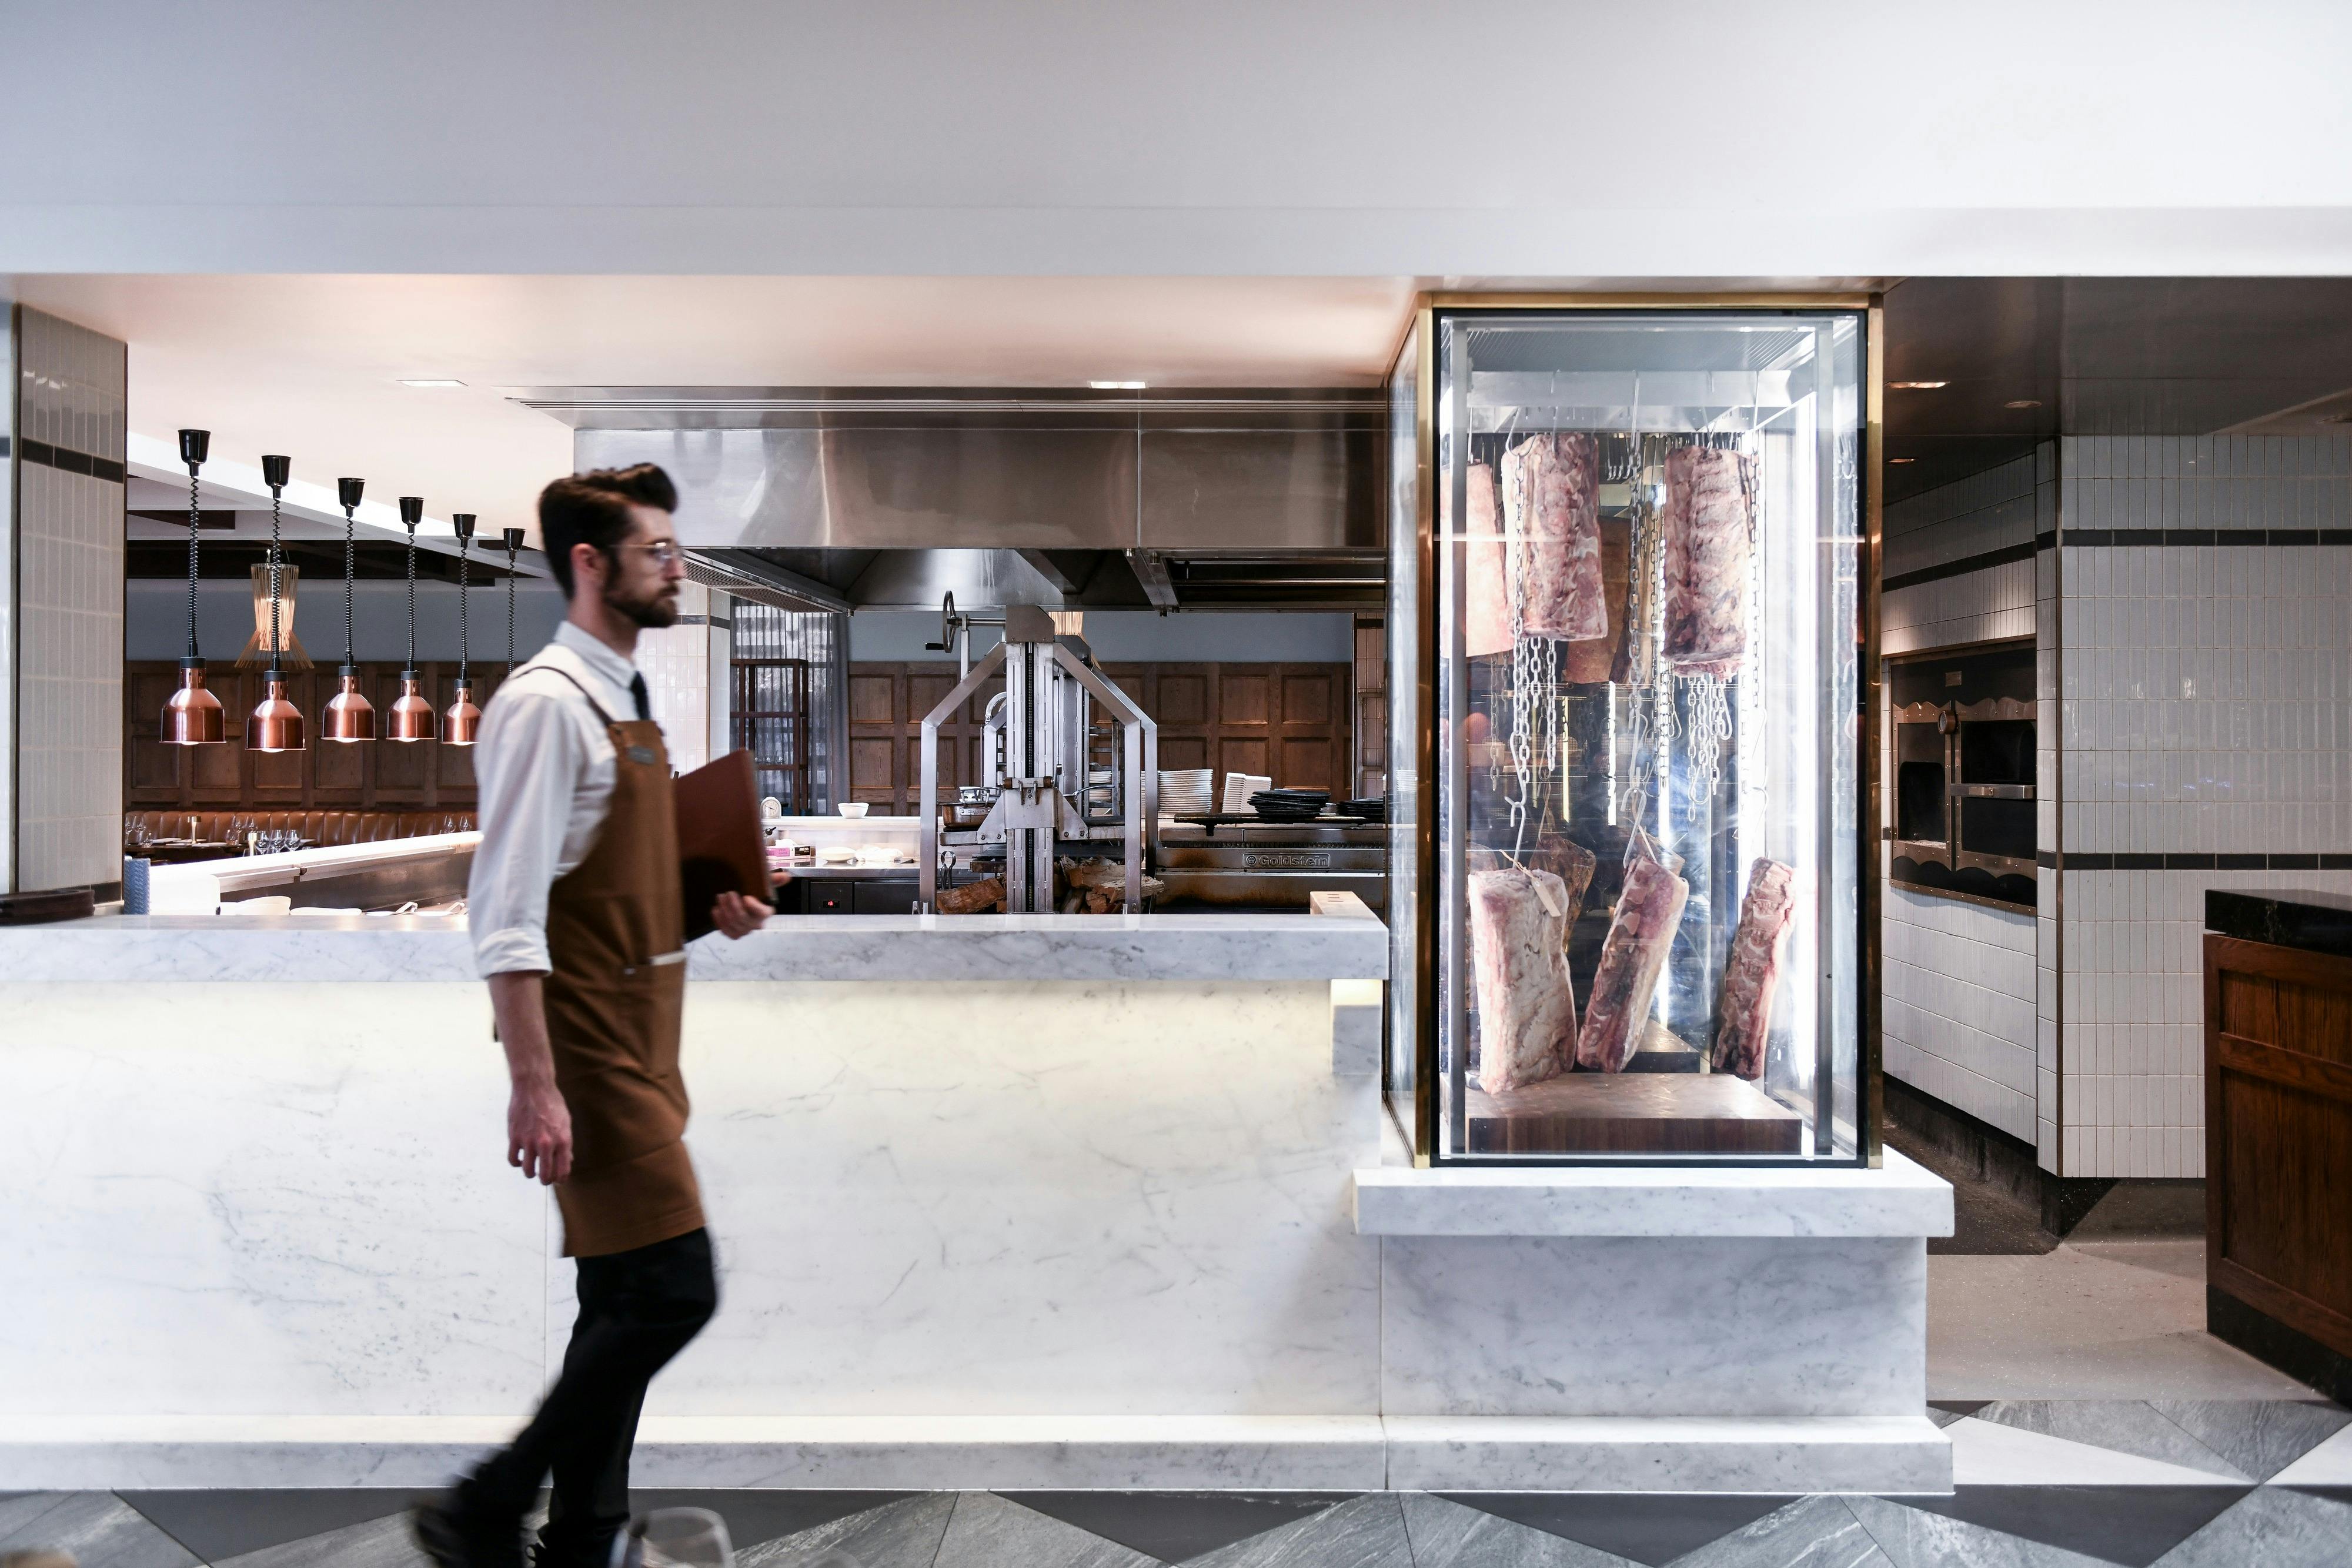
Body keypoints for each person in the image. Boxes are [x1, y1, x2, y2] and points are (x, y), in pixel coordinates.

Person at [414, 463, 769, 1568]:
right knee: (675, 1288)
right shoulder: (543, 706)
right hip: (586, 1047)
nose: (673, 568)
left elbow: (609, 893)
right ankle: (484, 1502)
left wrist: (711, 909)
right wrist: (534, 1083)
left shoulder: (628, 702)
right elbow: (506, 914)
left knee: (617, 1296)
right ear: (589, 562)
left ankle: (583, 1534)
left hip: (643, 1038)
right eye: (656, 551)